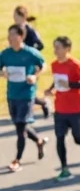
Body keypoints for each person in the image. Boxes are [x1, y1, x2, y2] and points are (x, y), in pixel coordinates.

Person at [43, 36, 80, 181]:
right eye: (54, 47)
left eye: (58, 47)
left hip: (76, 108)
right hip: (60, 108)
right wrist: (50, 89)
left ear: (67, 49)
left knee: (78, 138)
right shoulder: (54, 64)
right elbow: (57, 80)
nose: (55, 50)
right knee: (59, 138)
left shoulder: (75, 65)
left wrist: (70, 85)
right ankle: (65, 169)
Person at [3, 25, 46, 172]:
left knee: (20, 129)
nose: (9, 38)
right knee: (20, 125)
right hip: (12, 95)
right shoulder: (5, 54)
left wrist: (34, 76)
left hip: (26, 95)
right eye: (9, 35)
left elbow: (43, 65)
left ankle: (17, 160)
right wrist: (2, 74)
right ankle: (39, 141)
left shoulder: (30, 53)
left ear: (21, 36)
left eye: (13, 35)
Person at [11, 7, 47, 119]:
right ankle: (39, 105)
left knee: (27, 90)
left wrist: (30, 51)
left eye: (15, 16)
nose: (14, 18)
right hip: (19, 64)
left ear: (22, 17)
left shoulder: (30, 30)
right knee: (21, 89)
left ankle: (42, 104)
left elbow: (40, 45)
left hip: (31, 65)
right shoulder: (15, 30)